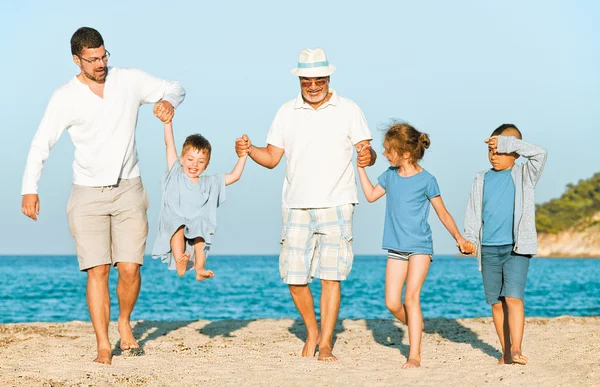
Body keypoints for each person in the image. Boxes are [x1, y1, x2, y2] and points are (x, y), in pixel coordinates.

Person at [20, 27, 185, 365]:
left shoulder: (128, 80)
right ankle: (103, 344)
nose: (101, 64)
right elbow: (41, 143)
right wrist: (29, 188)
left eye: (104, 56)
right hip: (87, 195)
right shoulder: (64, 96)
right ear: (76, 60)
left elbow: (175, 86)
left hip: (129, 188)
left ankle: (124, 322)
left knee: (129, 269)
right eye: (93, 59)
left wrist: (169, 101)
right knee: (96, 271)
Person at [235, 48, 376, 361]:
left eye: (319, 80)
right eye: (307, 81)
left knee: (331, 276)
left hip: (338, 203)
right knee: (295, 278)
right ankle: (311, 330)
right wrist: (249, 150)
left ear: (329, 78)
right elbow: (271, 158)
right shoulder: (286, 112)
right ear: (299, 80)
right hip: (296, 204)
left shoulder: (349, 108)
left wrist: (368, 156)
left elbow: (366, 149)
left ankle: (325, 342)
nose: (313, 86)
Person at [357, 122, 475, 368]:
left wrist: (459, 238)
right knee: (391, 302)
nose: (386, 154)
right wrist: (360, 169)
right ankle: (415, 326)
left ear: (406, 153)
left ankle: (414, 355)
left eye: (389, 150)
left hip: (420, 246)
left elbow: (442, 213)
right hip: (396, 247)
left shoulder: (427, 180)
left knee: (411, 298)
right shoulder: (389, 175)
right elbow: (370, 196)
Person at [464, 124, 547, 365]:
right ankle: (506, 351)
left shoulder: (525, 175)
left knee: (513, 298)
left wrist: (506, 142)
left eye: (500, 151)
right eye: (492, 151)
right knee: (497, 303)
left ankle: (517, 349)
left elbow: (541, 153)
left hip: (516, 249)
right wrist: (469, 239)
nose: (494, 156)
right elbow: (473, 214)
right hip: (488, 249)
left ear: (515, 152)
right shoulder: (481, 179)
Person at [151, 121, 246, 279]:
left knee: (202, 222)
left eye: (200, 161)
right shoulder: (175, 173)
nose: (194, 164)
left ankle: (200, 267)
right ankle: (179, 260)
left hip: (194, 226)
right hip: (174, 223)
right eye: (190, 159)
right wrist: (167, 122)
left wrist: (243, 156)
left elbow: (234, 176)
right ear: (181, 159)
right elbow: (169, 145)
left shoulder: (210, 182)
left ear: (207, 165)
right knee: (178, 223)